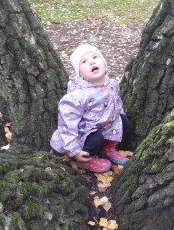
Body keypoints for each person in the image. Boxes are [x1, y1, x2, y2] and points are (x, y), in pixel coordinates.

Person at [50, 44, 130, 173]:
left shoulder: (112, 84)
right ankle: (85, 161)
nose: (91, 61)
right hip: (84, 132)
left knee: (124, 121)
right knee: (95, 139)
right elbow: (67, 124)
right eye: (84, 62)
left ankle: (108, 148)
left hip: (105, 124)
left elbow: (117, 104)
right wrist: (74, 150)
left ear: (105, 67)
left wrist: (120, 116)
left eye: (95, 57)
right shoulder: (78, 97)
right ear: (80, 75)